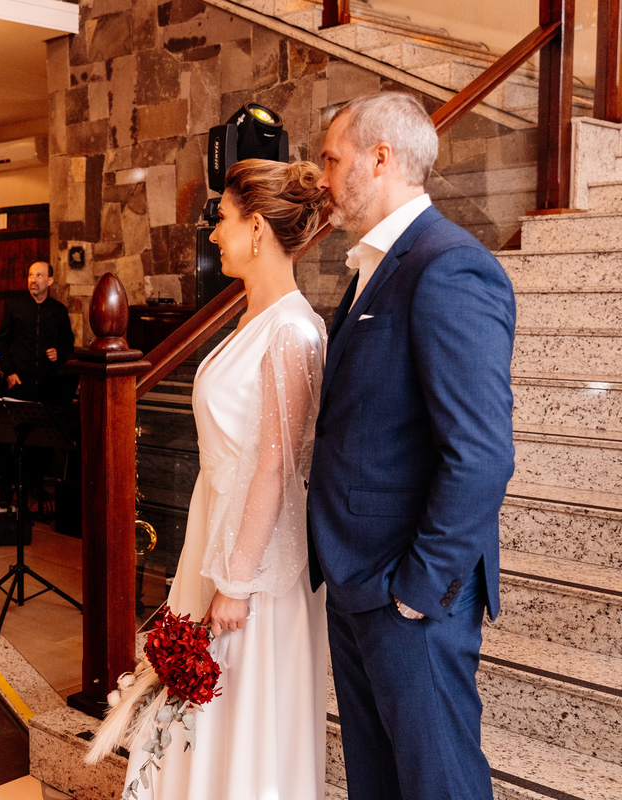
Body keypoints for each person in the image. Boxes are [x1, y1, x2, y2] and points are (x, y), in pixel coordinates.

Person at [307, 92, 515, 800]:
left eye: (333, 160)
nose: (324, 178)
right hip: (358, 580)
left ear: (380, 159)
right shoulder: (374, 265)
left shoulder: (448, 265)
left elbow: (481, 454)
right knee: (379, 783)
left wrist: (419, 591)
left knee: (439, 787)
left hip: (409, 593)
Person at [121, 161, 328, 799]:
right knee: (200, 713)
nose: (214, 235)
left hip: (255, 561)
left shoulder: (293, 329)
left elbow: (276, 463)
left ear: (257, 228)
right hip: (215, 531)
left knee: (242, 709)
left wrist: (234, 584)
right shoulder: (246, 319)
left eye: (223, 221)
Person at [0, 261, 74, 404]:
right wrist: (9, 372)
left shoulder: (58, 310)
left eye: (39, 275)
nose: (33, 280)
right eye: (30, 275)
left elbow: (68, 343)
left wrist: (59, 352)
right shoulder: (14, 307)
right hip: (19, 382)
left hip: (49, 383)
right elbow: (2, 341)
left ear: (50, 280)